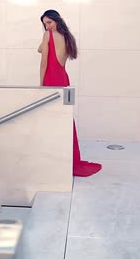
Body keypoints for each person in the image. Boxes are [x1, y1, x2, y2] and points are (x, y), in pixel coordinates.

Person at [38, 9, 102, 177]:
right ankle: (68, 160)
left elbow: (44, 61)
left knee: (51, 120)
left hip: (51, 81)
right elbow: (41, 50)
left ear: (57, 20)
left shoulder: (48, 36)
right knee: (66, 121)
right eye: (45, 24)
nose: (47, 27)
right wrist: (46, 40)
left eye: (49, 23)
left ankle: (54, 159)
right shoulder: (68, 38)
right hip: (64, 81)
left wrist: (41, 84)